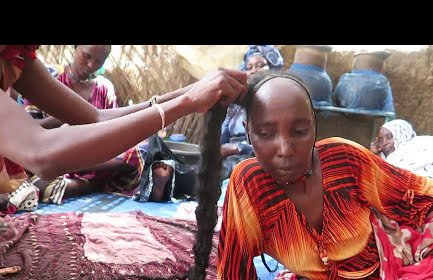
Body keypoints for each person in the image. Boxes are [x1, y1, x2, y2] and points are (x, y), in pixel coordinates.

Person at [206, 70, 433, 280]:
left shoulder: (343, 158)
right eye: (265, 134)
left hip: (409, 249)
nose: (285, 149)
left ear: (314, 125)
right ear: (248, 132)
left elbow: (422, 190)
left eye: (299, 131)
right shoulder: (249, 187)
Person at [0, 45, 247, 214]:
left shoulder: (15, 57)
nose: (89, 64)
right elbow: (42, 153)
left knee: (141, 150)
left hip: (68, 153)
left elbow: (95, 117)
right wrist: (186, 103)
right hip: (50, 161)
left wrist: (190, 92)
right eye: (86, 55)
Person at [22, 45, 152, 203]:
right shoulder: (49, 76)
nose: (91, 65)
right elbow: (29, 129)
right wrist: (64, 120)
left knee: (142, 147)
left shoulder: (105, 88)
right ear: (75, 48)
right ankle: (97, 185)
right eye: (86, 56)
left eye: (99, 61)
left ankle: (83, 175)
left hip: (95, 158)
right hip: (57, 155)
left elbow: (115, 130)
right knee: (39, 185)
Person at [220, 45, 284, 180]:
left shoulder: (279, 103)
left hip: (259, 162)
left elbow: (279, 144)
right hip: (229, 161)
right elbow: (222, 138)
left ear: (273, 69)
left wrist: (238, 148)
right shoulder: (235, 105)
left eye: (260, 65)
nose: (254, 71)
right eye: (249, 68)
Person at [370, 119, 433, 186]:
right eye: (381, 140)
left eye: (389, 137)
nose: (385, 143)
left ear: (402, 134)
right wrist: (374, 155)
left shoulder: (421, 142)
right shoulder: (389, 160)